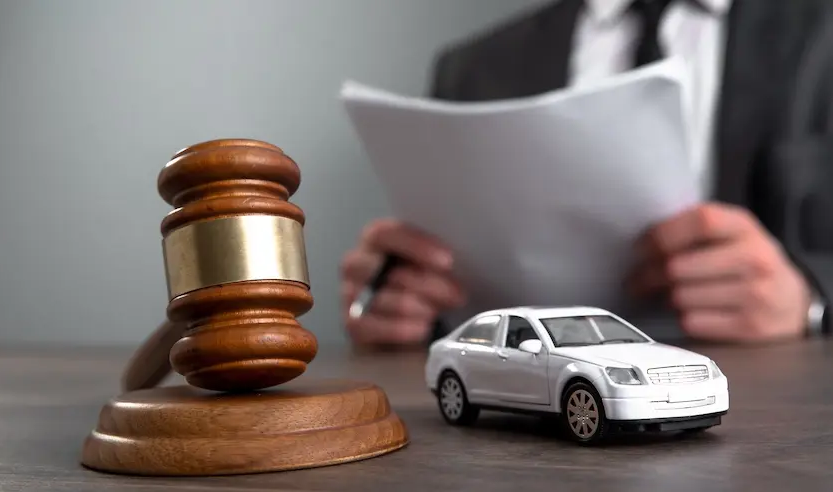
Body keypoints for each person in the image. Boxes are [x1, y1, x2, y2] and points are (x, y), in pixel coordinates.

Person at [341, 0, 833, 348]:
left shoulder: (820, 29)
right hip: (534, 418)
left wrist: (811, 302)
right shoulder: (473, 69)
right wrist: (398, 302)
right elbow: (448, 285)